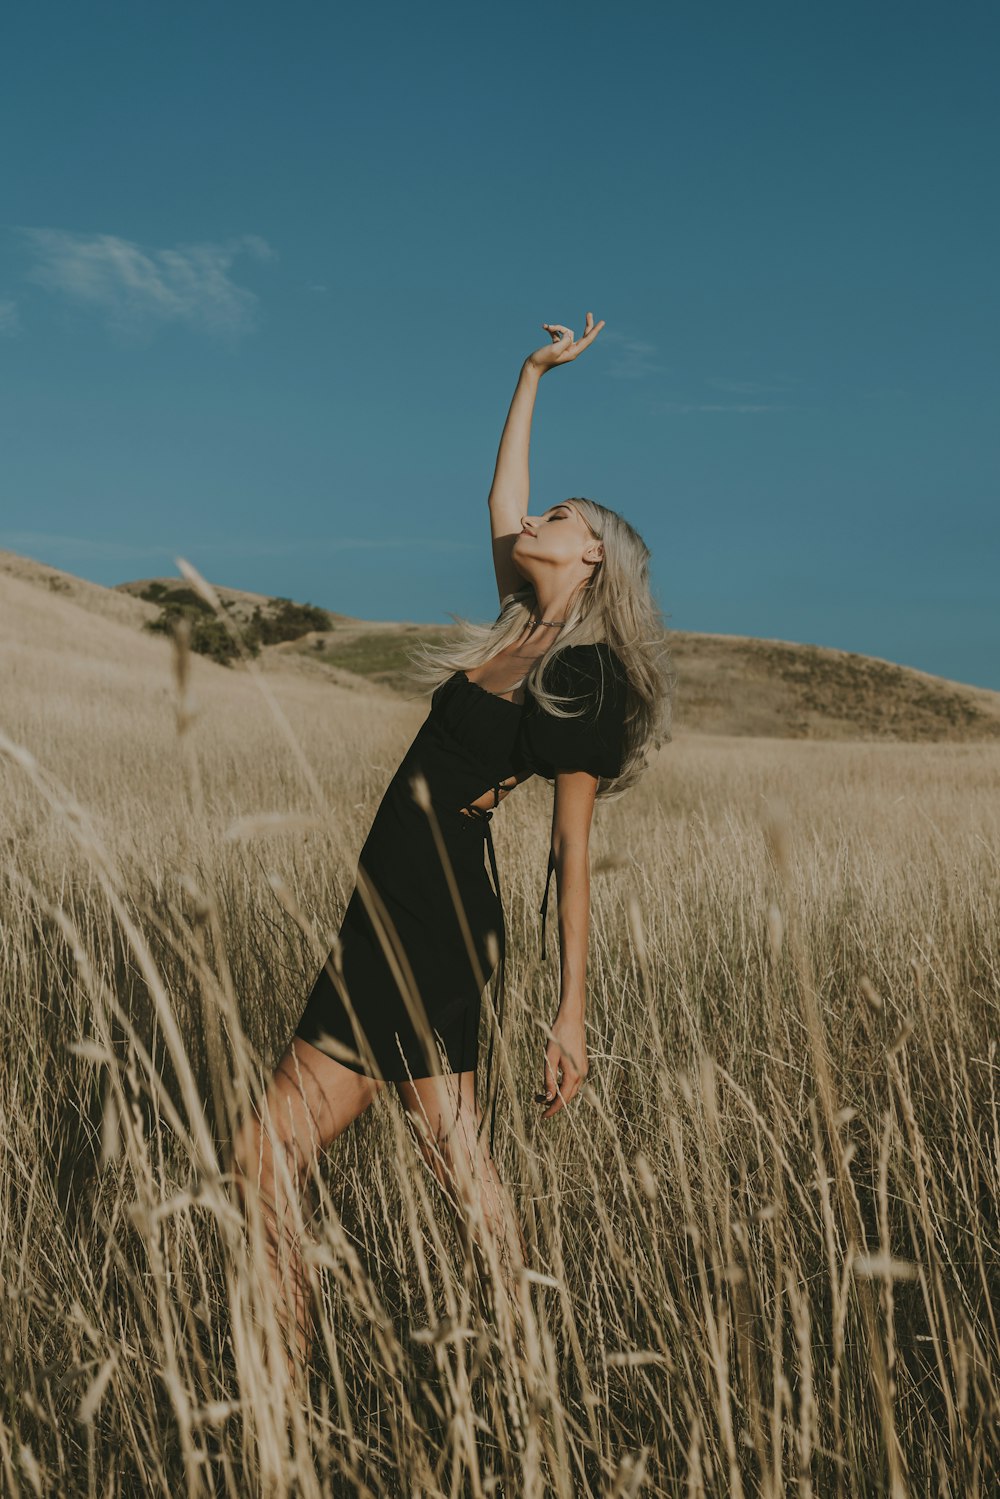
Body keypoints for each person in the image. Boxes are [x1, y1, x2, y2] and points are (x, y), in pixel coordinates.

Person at [231, 313, 674, 1385]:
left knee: (454, 1161)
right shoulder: (520, 619)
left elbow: (571, 851)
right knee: (263, 1160)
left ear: (593, 553)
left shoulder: (583, 676)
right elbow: (497, 501)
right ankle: (281, 1398)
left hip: (435, 917)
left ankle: (530, 1374)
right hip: (375, 906)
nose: (534, 520)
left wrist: (569, 1008)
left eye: (557, 516)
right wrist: (530, 373)